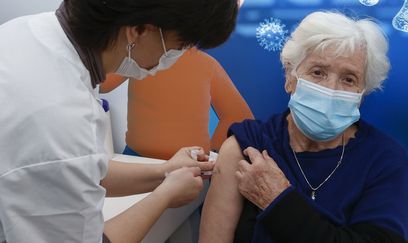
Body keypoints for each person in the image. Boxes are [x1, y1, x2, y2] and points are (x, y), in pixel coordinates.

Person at [0, 0, 238, 242]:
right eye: (179, 45)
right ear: (139, 29)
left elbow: (86, 171)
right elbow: (71, 162)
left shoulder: (25, 31)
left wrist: (164, 173)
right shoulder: (63, 120)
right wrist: (164, 195)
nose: (176, 57)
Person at [199, 11, 408, 243]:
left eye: (349, 79)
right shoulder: (246, 147)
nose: (331, 89)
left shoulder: (383, 160)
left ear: (362, 94)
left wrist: (278, 201)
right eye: (318, 72)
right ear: (290, 77)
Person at [100, 47, 254, 160]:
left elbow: (239, 116)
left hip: (188, 164)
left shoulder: (206, 64)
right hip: (137, 158)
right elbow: (100, 83)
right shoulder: (138, 57)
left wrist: (211, 154)